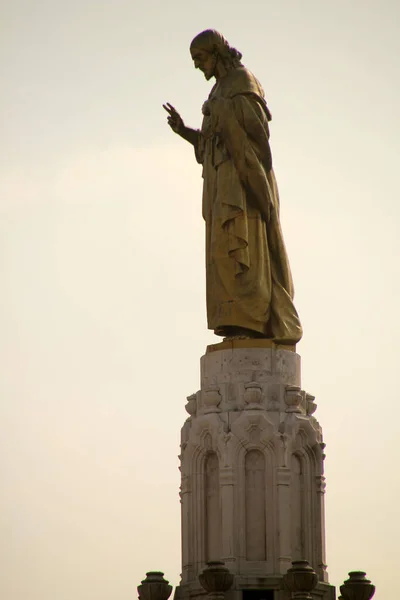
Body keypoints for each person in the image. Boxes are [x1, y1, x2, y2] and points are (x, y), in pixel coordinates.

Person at [163, 29, 302, 344]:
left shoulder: (242, 84)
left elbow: (256, 141)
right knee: (223, 252)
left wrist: (224, 116)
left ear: (215, 52)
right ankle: (232, 319)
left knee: (245, 250)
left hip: (242, 184)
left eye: (200, 58)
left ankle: (252, 319)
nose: (198, 66)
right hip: (218, 184)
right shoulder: (217, 92)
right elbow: (210, 144)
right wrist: (185, 131)